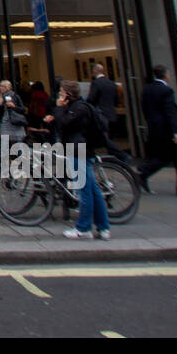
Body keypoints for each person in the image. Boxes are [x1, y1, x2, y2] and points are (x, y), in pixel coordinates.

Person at [56, 80, 110, 240]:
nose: (59, 95)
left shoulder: (78, 109)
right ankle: (103, 227)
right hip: (84, 150)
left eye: (61, 92)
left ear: (68, 94)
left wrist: (59, 108)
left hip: (78, 151)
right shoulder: (81, 106)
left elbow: (63, 125)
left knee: (84, 191)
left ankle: (84, 228)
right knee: (94, 191)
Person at [137, 64, 177, 197]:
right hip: (168, 131)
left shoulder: (147, 90)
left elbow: (145, 110)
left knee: (164, 157)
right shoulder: (166, 91)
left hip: (155, 129)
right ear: (166, 75)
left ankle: (144, 172)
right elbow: (171, 113)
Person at [0, 79, 28, 144]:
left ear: (7, 87)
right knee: (5, 143)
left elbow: (23, 109)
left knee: (18, 143)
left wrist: (14, 106)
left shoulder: (15, 96)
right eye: (0, 86)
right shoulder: (1, 97)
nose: (0, 88)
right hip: (5, 123)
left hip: (15, 121)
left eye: (2, 86)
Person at [89, 64, 120, 128]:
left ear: (95, 71)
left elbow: (91, 99)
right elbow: (117, 100)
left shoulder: (96, 83)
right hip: (112, 115)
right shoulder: (112, 83)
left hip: (101, 115)